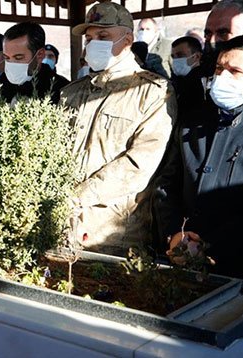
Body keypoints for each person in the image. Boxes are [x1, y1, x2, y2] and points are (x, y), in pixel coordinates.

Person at [153, 36, 243, 283]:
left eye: (234, 71)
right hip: (180, 260)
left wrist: (209, 245)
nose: (221, 77)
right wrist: (175, 233)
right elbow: (166, 184)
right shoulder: (192, 121)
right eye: (219, 68)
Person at [60, 1, 175, 255]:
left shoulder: (152, 92)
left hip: (114, 235)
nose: (92, 44)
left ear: (127, 40)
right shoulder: (72, 93)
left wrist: (77, 196)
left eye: (103, 36)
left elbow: (139, 164)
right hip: (64, 225)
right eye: (89, 38)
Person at [0, 21, 68, 105]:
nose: (11, 63)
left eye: (18, 58)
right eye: (6, 58)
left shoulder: (62, 89)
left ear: (40, 55)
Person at [170, 36, 213, 122]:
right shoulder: (177, 81)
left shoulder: (204, 83)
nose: (176, 60)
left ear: (196, 56)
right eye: (173, 56)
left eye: (180, 55)